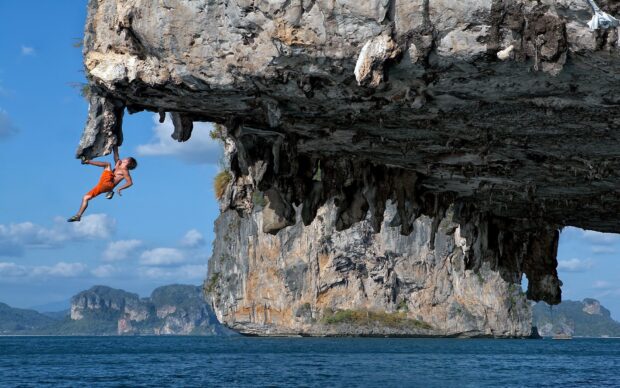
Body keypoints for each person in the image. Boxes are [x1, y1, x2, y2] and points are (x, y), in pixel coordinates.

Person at [67, 145, 137, 222]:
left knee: (107, 164)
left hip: (108, 184)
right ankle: (78, 215)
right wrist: (115, 144)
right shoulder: (118, 164)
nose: (124, 158)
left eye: (126, 158)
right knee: (85, 197)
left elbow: (130, 182)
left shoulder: (125, 171)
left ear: (128, 162)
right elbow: (116, 153)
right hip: (102, 186)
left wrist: (120, 188)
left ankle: (86, 161)